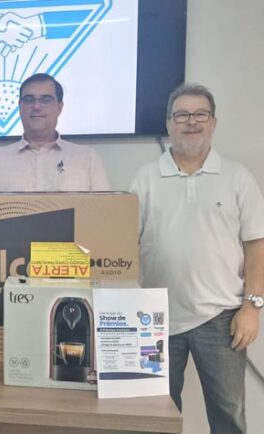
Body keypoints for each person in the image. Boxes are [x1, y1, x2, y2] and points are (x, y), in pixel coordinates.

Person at [130, 83, 264, 434]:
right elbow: (125, 246)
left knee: (228, 417)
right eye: (182, 115)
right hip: (155, 319)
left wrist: (252, 308)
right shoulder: (145, 178)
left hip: (222, 318)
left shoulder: (238, 178)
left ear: (213, 122)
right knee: (154, 418)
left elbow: (256, 247)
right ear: (168, 123)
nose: (191, 122)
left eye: (200, 114)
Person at [0, 73, 109, 192]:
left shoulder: (88, 159)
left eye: (45, 100)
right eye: (29, 100)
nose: (36, 106)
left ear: (60, 107)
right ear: (20, 107)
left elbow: (104, 210)